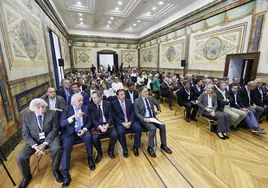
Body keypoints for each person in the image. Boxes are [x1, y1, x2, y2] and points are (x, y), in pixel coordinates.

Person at [17, 99, 62, 188]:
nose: (41, 109)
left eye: (43, 107)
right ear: (33, 109)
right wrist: (35, 146)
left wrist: (45, 144)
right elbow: (25, 134)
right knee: (20, 157)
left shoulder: (52, 113)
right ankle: (26, 176)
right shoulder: (27, 117)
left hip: (50, 138)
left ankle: (55, 169)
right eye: (38, 108)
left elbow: (55, 130)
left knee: (56, 148)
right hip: (34, 141)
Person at [60, 93, 95, 187]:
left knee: (88, 137)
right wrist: (73, 117)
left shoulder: (86, 108)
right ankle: (66, 173)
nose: (81, 102)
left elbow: (89, 122)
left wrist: (84, 129)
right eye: (79, 101)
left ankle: (90, 158)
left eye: (82, 100)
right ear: (73, 102)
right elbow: (62, 124)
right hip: (70, 132)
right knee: (66, 147)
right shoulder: (67, 109)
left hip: (82, 130)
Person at [134, 86, 172, 158]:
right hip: (145, 119)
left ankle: (163, 145)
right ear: (140, 93)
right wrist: (144, 119)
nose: (147, 93)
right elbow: (137, 113)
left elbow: (157, 104)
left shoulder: (150, 98)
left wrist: (159, 109)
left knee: (163, 126)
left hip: (153, 118)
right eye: (145, 92)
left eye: (147, 91)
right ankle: (150, 147)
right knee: (153, 128)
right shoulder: (137, 101)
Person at [89, 91, 118, 163]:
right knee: (94, 137)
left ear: (100, 97)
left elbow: (111, 116)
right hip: (97, 125)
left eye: (95, 98)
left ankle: (110, 150)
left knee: (115, 135)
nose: (93, 99)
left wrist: (107, 125)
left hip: (107, 124)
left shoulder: (108, 104)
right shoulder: (91, 106)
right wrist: (100, 127)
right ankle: (99, 152)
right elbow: (93, 119)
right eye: (92, 98)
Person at [112, 89, 142, 158]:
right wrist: (123, 123)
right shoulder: (114, 103)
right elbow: (114, 116)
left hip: (130, 121)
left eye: (124, 94)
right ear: (117, 96)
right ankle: (125, 149)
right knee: (121, 132)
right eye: (121, 95)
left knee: (138, 129)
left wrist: (130, 122)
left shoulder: (128, 101)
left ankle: (135, 147)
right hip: (121, 123)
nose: (123, 96)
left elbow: (132, 112)